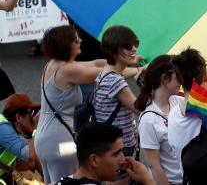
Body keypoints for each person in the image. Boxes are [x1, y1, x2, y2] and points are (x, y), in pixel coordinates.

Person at [35, 25, 107, 183]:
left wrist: (121, 60)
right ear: (65, 44)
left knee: (54, 182)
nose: (80, 41)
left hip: (45, 139)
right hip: (60, 140)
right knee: (70, 180)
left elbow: (96, 63)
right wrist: (140, 70)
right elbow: (106, 74)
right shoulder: (67, 70)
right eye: (76, 39)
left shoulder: (52, 64)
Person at [93, 26, 144, 164]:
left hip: (109, 142)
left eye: (135, 43)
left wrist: (139, 67)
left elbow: (123, 72)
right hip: (120, 146)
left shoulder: (106, 72)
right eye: (128, 46)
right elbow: (140, 109)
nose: (134, 49)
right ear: (114, 50)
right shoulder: (115, 81)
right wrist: (144, 84)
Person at [53, 123, 154, 185]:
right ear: (94, 160)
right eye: (116, 154)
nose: (123, 160)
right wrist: (147, 179)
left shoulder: (63, 181)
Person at [135, 55, 182, 185]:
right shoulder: (148, 120)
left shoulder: (179, 102)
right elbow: (154, 167)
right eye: (178, 76)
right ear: (164, 79)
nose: (182, 80)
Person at [0, 93, 40, 183]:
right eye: (31, 114)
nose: (33, 119)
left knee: (30, 161)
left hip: (5, 170)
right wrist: (36, 129)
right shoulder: (3, 129)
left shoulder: (12, 126)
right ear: (18, 117)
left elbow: (34, 157)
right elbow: (29, 155)